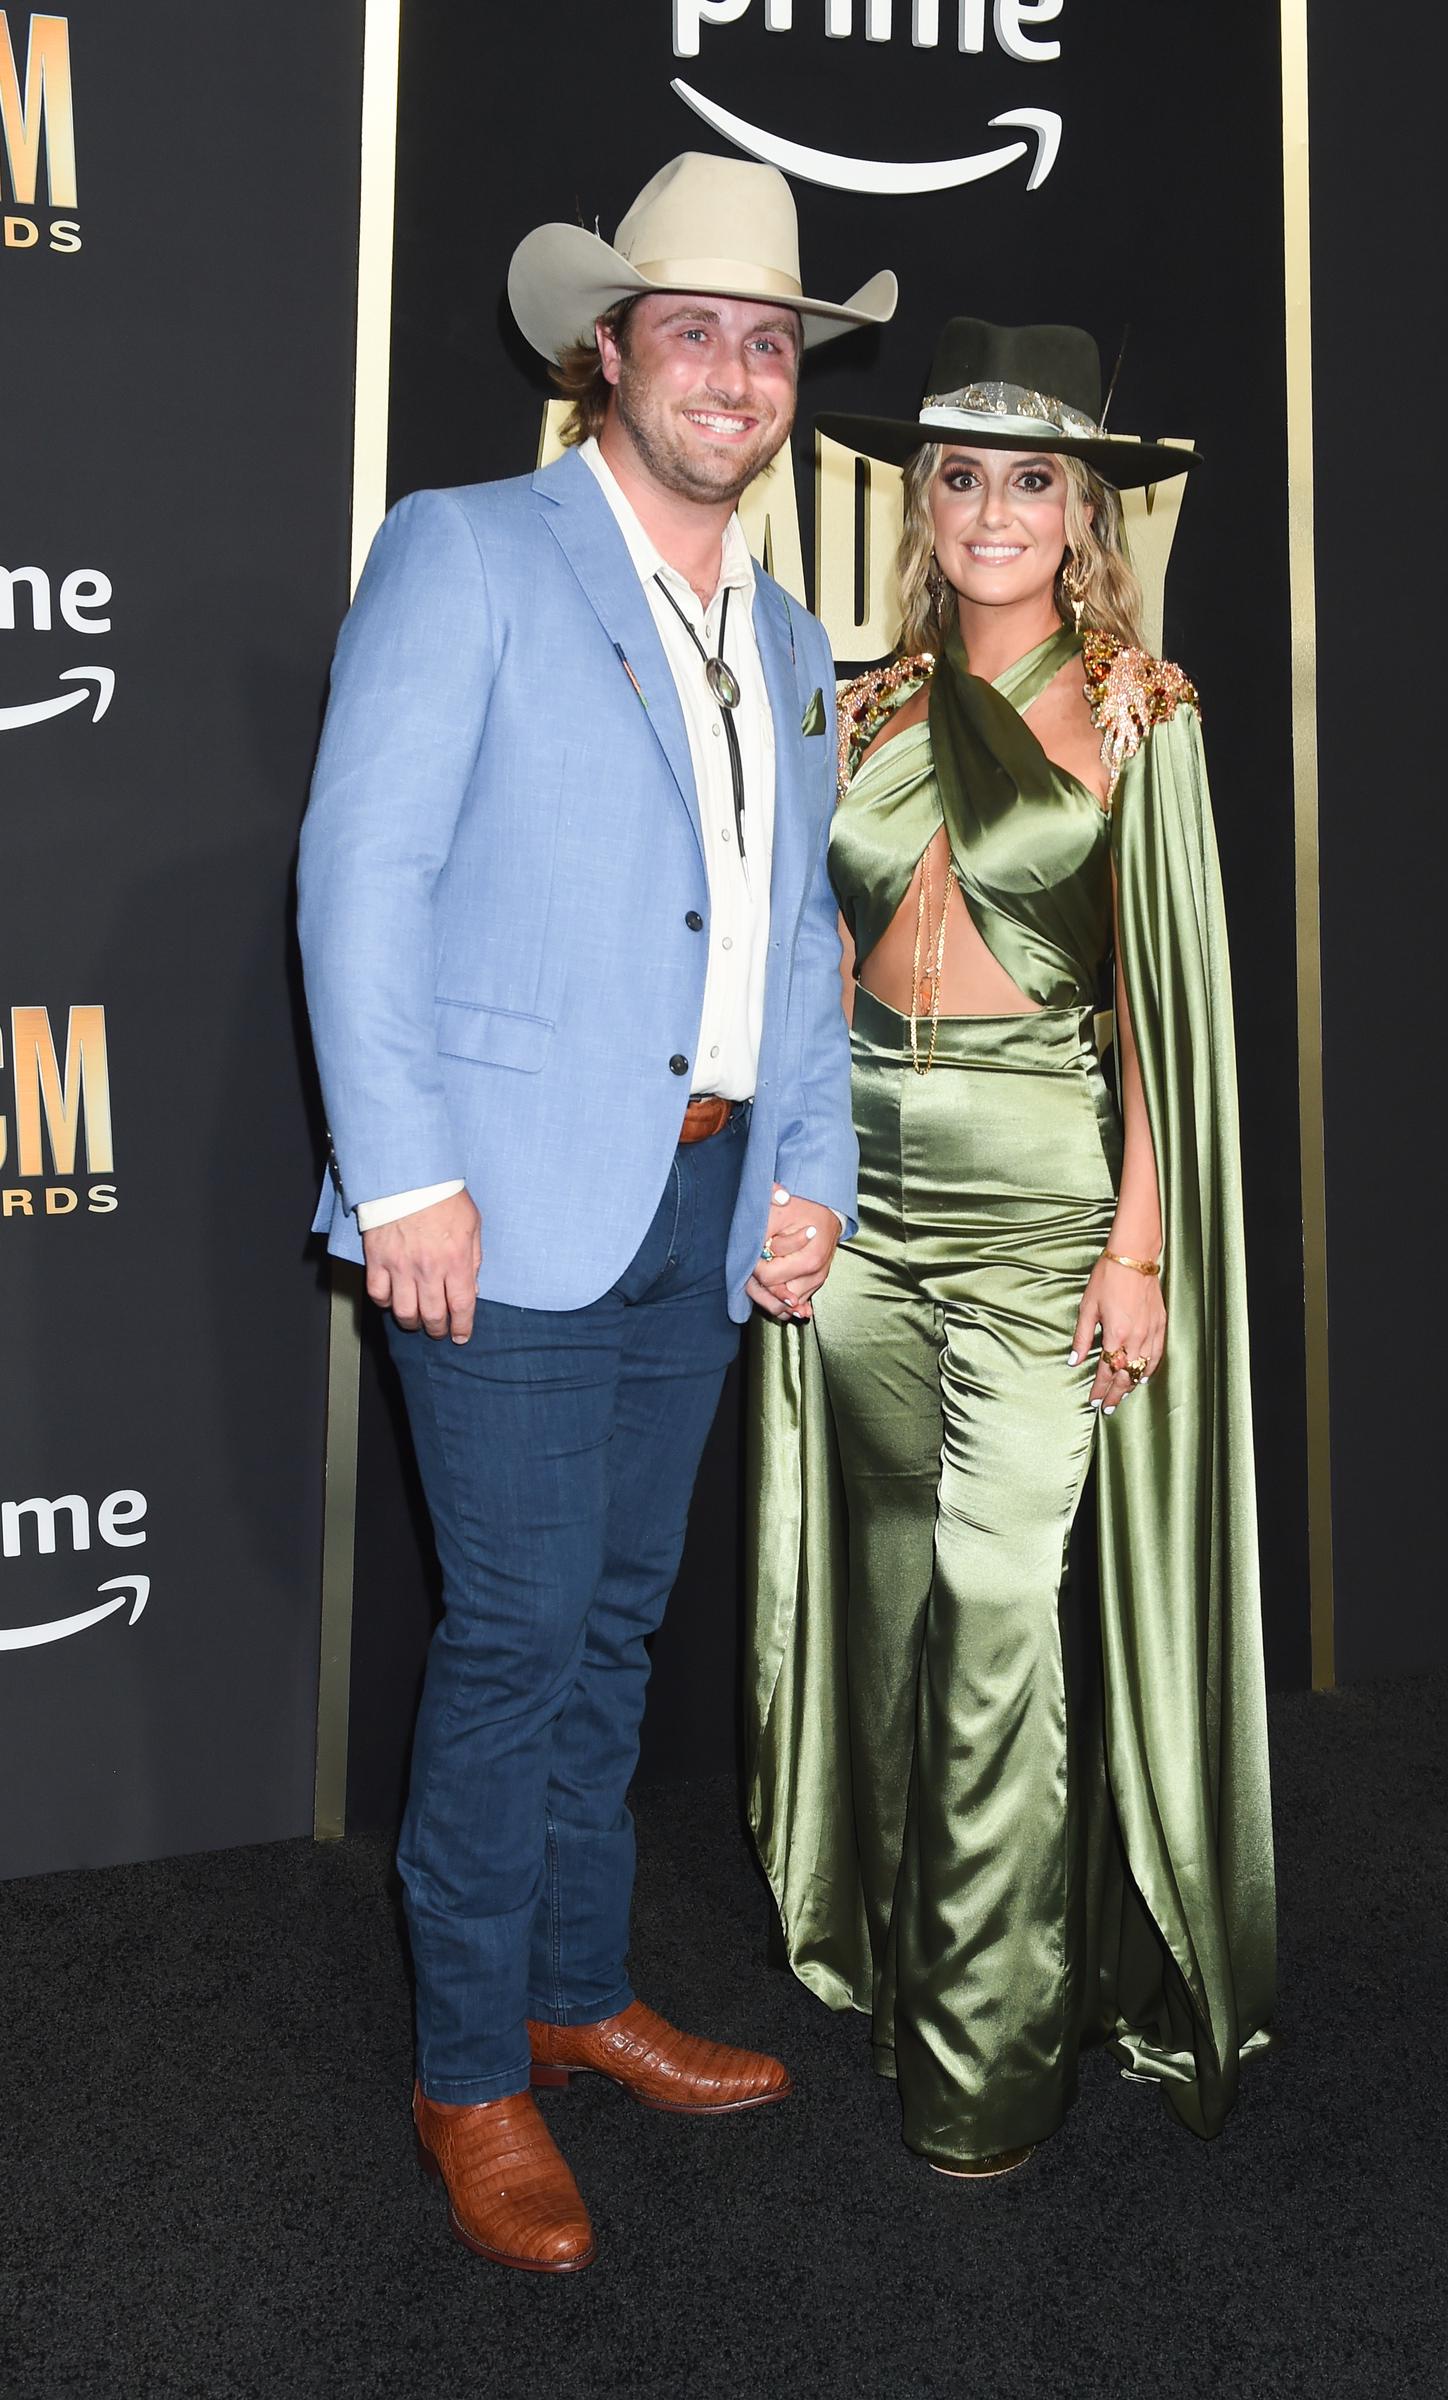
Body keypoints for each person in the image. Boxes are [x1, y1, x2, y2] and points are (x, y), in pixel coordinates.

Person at [297, 154, 896, 2272]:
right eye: (697, 331)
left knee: (620, 1623)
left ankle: (573, 1991)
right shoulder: (465, 554)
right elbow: (358, 876)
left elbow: (793, 937)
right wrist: (407, 1175)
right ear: (607, 353)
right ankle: (470, 2072)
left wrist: (807, 1167)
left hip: (711, 1198)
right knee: (521, 1635)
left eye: (771, 343)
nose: (736, 371)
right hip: (502, 1199)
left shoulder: (796, 631)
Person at [747, 319, 1276, 2177]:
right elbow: (807, 963)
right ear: (920, 501)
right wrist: (792, 1183)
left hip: (1048, 1197)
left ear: (1085, 513)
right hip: (863, 1201)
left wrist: (1137, 1250)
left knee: (992, 1622)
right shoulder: (868, 700)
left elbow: (1161, 1017)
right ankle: (907, 1966)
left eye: (1030, 477)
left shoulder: (1147, 710)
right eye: (958, 474)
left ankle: (985, 2070)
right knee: (891, 1604)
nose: (989, 509)